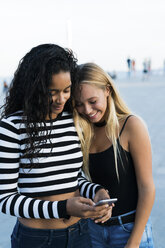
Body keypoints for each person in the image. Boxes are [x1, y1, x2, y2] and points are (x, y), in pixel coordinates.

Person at [0, 45, 112, 248]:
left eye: (67, 90)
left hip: (80, 234)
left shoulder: (72, 120)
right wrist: (63, 208)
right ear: (35, 88)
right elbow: (6, 199)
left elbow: (72, 178)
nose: (61, 99)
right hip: (37, 240)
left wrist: (96, 192)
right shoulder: (12, 127)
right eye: (52, 92)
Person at [72, 62, 155, 248]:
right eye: (79, 104)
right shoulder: (82, 132)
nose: (87, 110)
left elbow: (147, 188)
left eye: (93, 101)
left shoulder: (131, 126)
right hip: (93, 232)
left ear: (107, 90)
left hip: (129, 231)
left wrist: (133, 242)